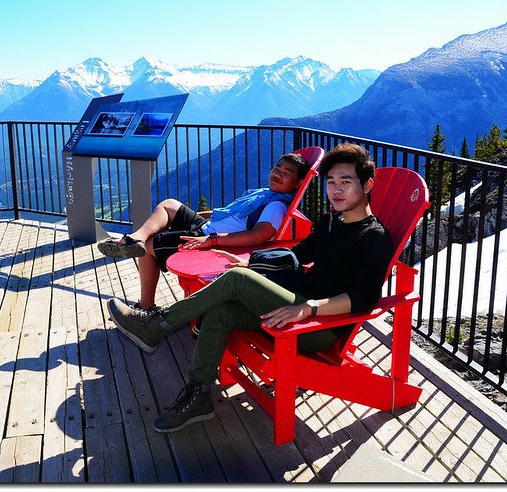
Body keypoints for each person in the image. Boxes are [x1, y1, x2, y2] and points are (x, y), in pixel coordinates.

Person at [107, 143, 394, 433]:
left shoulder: (374, 237)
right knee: (222, 312)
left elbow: (364, 298)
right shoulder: (332, 220)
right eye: (331, 182)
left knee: (237, 281)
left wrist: (309, 307)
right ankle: (199, 394)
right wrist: (253, 265)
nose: (336, 190)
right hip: (297, 301)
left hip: (320, 326)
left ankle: (157, 324)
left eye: (346, 182)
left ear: (368, 185)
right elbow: (300, 253)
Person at [99, 152, 309, 312]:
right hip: (208, 228)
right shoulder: (263, 194)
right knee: (170, 205)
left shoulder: (276, 206)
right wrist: (196, 214)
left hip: (212, 239)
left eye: (286, 173)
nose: (278, 174)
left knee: (151, 245)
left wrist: (212, 240)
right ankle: (136, 237)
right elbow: (228, 213)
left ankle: (146, 307)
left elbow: (258, 236)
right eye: (277, 168)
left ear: (298, 183)